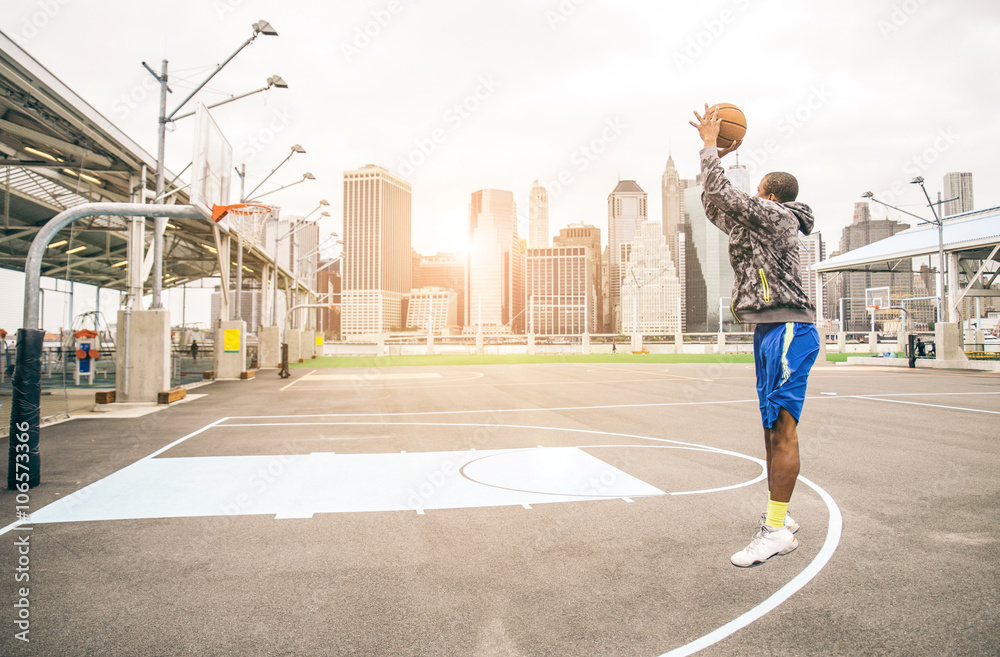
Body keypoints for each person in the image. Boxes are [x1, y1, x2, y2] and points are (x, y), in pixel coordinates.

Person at [690, 104, 820, 567]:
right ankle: (780, 518)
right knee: (770, 432)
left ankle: (776, 530)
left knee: (782, 433)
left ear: (767, 195)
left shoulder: (778, 218)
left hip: (789, 327)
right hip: (769, 329)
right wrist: (713, 158)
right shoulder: (756, 222)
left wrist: (710, 148)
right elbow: (714, 204)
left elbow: (726, 198)